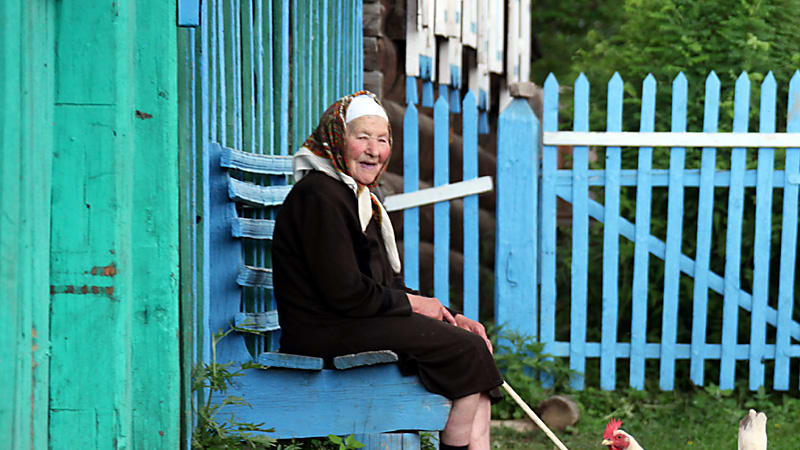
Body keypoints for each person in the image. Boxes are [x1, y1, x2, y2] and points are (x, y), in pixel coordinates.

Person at [272, 91, 503, 450]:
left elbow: (385, 283)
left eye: (382, 140)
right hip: (323, 328)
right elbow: (345, 292)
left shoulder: (356, 196)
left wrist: (450, 316)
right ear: (336, 138)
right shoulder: (319, 196)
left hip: (351, 320)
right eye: (362, 137)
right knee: (466, 350)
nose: (373, 150)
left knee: (472, 344)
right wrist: (416, 305)